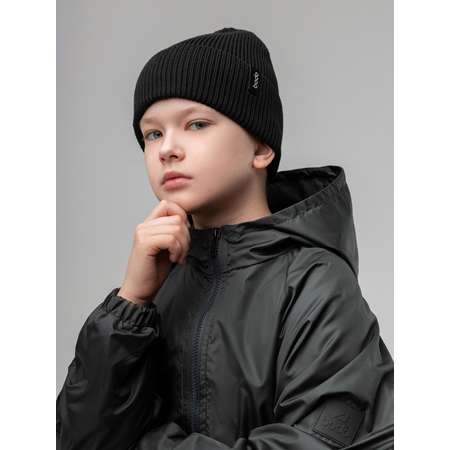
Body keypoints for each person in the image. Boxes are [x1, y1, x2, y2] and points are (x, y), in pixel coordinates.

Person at [56, 27, 394, 449]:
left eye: (196, 124)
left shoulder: (317, 284)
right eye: (152, 134)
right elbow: (76, 438)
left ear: (261, 148)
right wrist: (130, 304)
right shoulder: (158, 285)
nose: (166, 149)